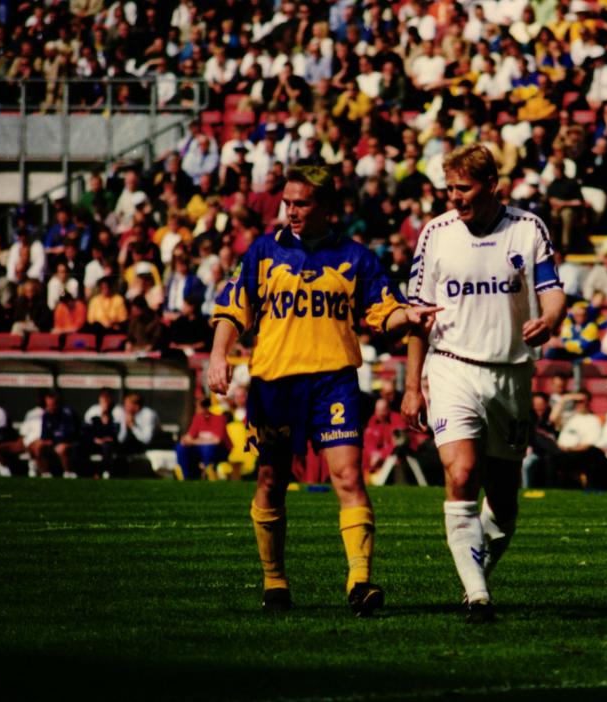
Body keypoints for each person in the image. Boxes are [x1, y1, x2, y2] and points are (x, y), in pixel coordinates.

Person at [208, 165, 440, 616]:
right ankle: (274, 580)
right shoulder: (263, 252)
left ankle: (360, 581)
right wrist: (219, 356)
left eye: (302, 203)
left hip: (334, 381)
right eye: (287, 203)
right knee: (271, 480)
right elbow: (232, 308)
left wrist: (407, 316)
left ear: (327, 206)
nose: (291, 211)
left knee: (349, 477)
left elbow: (385, 311)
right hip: (274, 383)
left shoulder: (356, 257)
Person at [402, 144, 566, 622]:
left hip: (511, 373)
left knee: (504, 500)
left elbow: (553, 292)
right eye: (449, 188)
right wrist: (412, 387)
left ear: (492, 185)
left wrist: (549, 321)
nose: (454, 197)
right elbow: (418, 318)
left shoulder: (528, 228)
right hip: (452, 366)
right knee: (462, 473)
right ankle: (477, 595)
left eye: (464, 188)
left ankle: (477, 574)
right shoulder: (436, 234)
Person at [176, 397, 232, 480]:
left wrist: (193, 441)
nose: (195, 409)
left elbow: (217, 441)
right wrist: (185, 440)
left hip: (220, 451)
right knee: (181, 447)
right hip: (201, 449)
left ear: (204, 408)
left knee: (208, 448)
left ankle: (208, 474)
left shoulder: (219, 419)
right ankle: (186, 475)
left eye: (197, 407)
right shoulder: (198, 418)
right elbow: (190, 436)